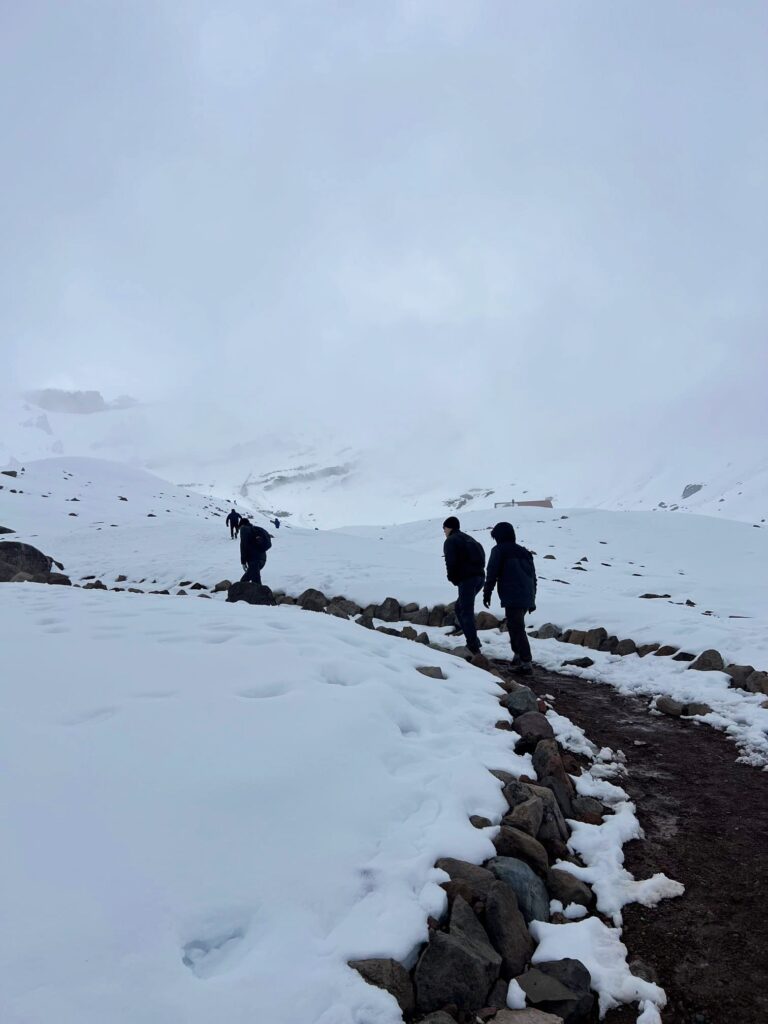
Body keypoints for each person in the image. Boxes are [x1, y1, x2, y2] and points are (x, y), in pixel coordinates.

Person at [483, 522, 537, 674]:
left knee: (517, 627)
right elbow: (533, 577)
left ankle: (526, 663)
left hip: (513, 595)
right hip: (526, 595)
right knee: (514, 625)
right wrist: (533, 598)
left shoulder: (499, 550)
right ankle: (518, 656)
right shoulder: (525, 552)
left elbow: (492, 573)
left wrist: (487, 593)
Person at [442, 516, 486, 657]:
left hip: (467, 579)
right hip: (480, 577)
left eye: (444, 528)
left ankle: (473, 646)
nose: (444, 531)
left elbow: (451, 562)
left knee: (465, 611)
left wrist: (453, 578)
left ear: (449, 527)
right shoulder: (470, 539)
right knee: (460, 608)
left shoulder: (451, 540)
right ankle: (474, 640)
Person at [239, 517, 272, 585]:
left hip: (254, 561)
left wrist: (243, 562)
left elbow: (243, 545)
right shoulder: (256, 530)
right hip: (262, 559)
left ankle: (262, 595)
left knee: (254, 583)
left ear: (242, 525)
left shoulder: (244, 529)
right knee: (245, 581)